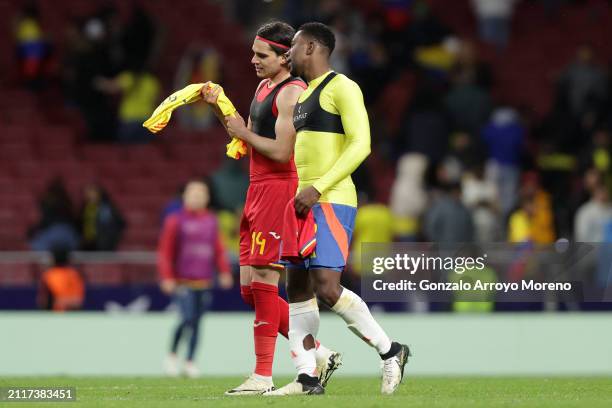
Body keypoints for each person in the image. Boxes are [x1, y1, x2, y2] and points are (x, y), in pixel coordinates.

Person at [262, 22, 409, 396]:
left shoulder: (342, 87)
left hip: (331, 198)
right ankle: (306, 377)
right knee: (296, 289)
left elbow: (361, 145)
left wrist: (318, 187)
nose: (287, 54)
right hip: (301, 201)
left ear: (311, 47)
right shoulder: (303, 95)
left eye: (292, 48)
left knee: (327, 287)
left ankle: (390, 350)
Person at [201, 21, 340, 395]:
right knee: (250, 290)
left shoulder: (292, 93)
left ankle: (262, 375)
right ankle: (319, 353)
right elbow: (246, 139)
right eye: (253, 53)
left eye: (262, 55)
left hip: (281, 189)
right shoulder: (264, 88)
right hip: (257, 189)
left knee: (264, 284)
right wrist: (219, 110)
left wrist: (245, 133)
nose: (253, 60)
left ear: (284, 56)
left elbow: (281, 152)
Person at [158, 179, 234, 378]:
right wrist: (166, 277)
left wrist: (224, 271)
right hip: (183, 281)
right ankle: (172, 356)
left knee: (198, 323)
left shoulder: (211, 220)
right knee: (186, 319)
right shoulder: (175, 221)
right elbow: (165, 252)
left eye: (201, 194)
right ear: (185, 196)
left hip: (204, 281)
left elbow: (218, 249)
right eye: (193, 194)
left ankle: (190, 361)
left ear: (207, 198)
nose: (197, 197)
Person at [38, 247, 85, 312]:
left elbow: (77, 301)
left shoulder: (73, 274)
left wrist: (61, 302)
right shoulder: (48, 275)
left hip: (66, 314)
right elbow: (43, 300)